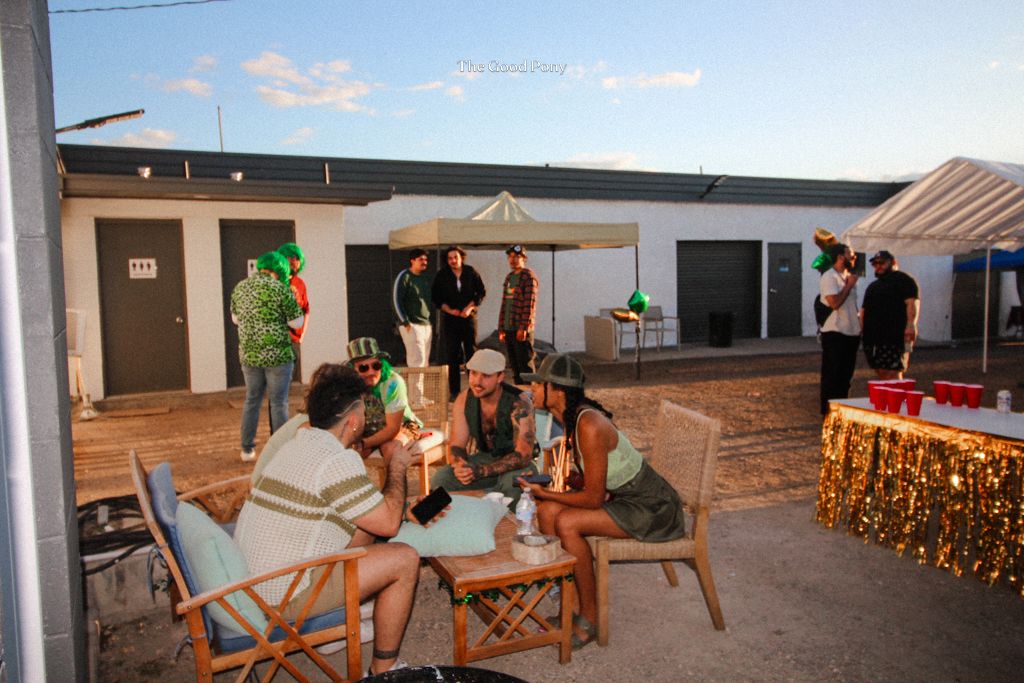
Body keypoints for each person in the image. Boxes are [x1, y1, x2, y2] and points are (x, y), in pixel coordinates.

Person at [234, 363, 419, 676]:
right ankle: (384, 670)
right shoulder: (336, 460)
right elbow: (389, 524)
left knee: (364, 526)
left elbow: (372, 514)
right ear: (353, 420)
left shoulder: (298, 444)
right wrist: (396, 466)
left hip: (259, 582)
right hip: (286, 596)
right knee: (405, 559)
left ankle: (348, 619)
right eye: (364, 409)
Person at [517, 353, 685, 651]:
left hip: (653, 508)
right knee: (548, 512)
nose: (533, 389)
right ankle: (571, 606)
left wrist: (545, 492)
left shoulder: (589, 425)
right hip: (625, 498)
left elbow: (594, 499)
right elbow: (597, 479)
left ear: (557, 390)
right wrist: (567, 484)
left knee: (566, 521)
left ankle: (590, 618)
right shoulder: (572, 419)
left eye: (539, 384)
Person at [430, 348, 537, 505]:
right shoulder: (464, 399)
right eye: (473, 373)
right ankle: (461, 520)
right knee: (441, 479)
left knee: (514, 487)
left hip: (516, 465)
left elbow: (523, 455)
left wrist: (482, 471)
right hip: (484, 459)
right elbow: (457, 445)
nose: (477, 381)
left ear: (500, 377)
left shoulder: (519, 402)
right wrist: (460, 465)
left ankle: (507, 521)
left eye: (486, 376)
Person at [230, 251, 304, 462]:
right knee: (278, 402)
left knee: (252, 400)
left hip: (250, 355)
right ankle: (279, 451)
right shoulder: (281, 289)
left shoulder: (240, 287)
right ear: (280, 269)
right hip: (278, 356)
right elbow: (297, 322)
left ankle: (247, 449)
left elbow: (235, 319)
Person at [431, 245, 486, 397]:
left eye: (455, 257)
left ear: (461, 257)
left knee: (471, 353)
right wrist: (449, 310)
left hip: (468, 319)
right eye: (450, 258)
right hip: (450, 320)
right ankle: (454, 391)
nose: (453, 260)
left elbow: (481, 292)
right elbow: (436, 297)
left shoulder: (470, 272)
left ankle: (474, 389)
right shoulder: (442, 275)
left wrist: (469, 308)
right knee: (452, 355)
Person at [860, 250, 920, 380]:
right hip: (874, 337)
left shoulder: (904, 280)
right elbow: (864, 310)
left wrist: (911, 325)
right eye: (875, 264)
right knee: (880, 370)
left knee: (893, 371)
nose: (878, 266)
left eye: (882, 263)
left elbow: (912, 303)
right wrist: (862, 332)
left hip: (894, 335)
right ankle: (889, 393)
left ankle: (898, 393)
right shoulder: (873, 287)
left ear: (893, 262)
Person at [819, 243, 861, 416]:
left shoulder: (848, 277)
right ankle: (828, 412)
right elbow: (834, 303)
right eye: (851, 255)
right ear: (841, 257)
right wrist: (848, 286)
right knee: (832, 376)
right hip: (835, 333)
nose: (854, 258)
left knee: (846, 377)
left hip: (851, 333)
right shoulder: (829, 277)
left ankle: (841, 411)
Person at [392, 248, 433, 406]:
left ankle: (419, 396)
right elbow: (396, 300)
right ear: (412, 260)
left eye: (426, 260)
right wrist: (405, 322)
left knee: (424, 363)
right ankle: (414, 400)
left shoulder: (424, 279)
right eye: (421, 259)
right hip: (412, 325)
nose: (424, 262)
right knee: (416, 361)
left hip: (426, 324)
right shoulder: (404, 276)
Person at [498, 244, 538, 384]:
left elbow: (529, 305)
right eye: (510, 257)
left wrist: (523, 327)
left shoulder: (528, 277)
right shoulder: (509, 277)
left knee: (525, 366)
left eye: (516, 257)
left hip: (521, 329)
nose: (513, 260)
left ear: (524, 259)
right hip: (508, 328)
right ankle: (520, 394)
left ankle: (531, 394)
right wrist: (501, 328)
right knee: (514, 366)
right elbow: (504, 304)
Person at [277, 242, 309, 344]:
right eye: (289, 257)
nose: (294, 261)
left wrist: (302, 335)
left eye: (297, 258)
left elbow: (306, 310)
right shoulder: (276, 282)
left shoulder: (300, 283)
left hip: (296, 340)